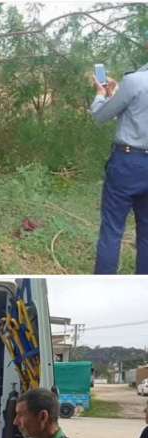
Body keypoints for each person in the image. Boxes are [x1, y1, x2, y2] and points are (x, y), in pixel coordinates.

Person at [90, 37, 148, 274]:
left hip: (128, 163)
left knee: (112, 230)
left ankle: (104, 284)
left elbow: (101, 115)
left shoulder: (135, 81)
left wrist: (101, 94)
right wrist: (117, 94)